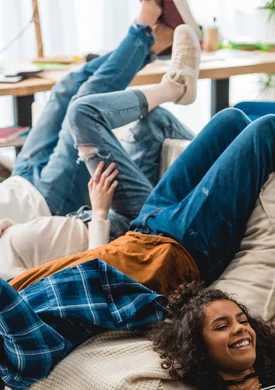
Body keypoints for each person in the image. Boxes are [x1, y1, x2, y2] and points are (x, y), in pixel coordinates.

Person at [0, 107, 275, 390]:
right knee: (269, 129)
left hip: (143, 229)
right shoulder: (23, 352)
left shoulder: (17, 292)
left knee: (229, 120)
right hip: (180, 250)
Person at [0, 0, 199, 230]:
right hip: (48, 204)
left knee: (64, 89)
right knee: (84, 101)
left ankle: (157, 43)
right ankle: (147, 32)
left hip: (19, 180)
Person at [0, 105, 194, 280]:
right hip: (118, 233)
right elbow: (83, 281)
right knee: (82, 115)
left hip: (92, 216)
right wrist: (99, 213)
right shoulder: (7, 280)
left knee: (154, 120)